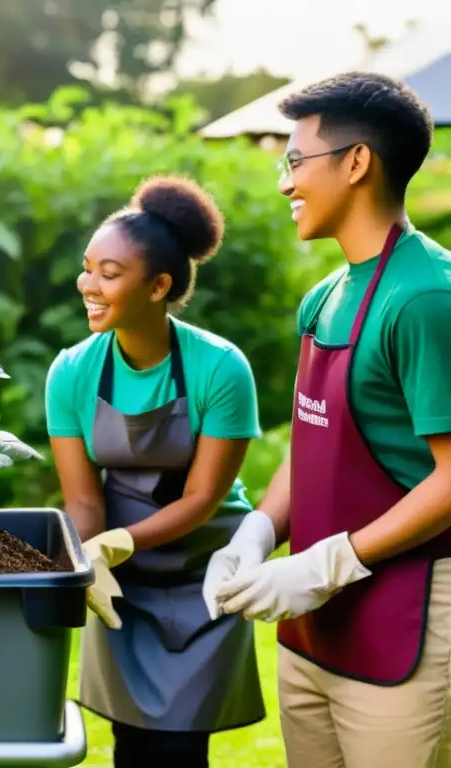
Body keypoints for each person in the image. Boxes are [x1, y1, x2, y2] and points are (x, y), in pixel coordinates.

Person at [206, 72, 451, 767]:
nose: (285, 184)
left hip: (407, 612)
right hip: (313, 620)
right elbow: (315, 448)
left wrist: (331, 562)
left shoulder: (428, 298)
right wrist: (258, 534)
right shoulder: (322, 298)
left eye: (295, 161)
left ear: (356, 162)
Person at [45, 175, 266, 767]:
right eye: (87, 267)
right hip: (122, 582)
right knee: (131, 743)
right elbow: (83, 499)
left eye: (109, 274)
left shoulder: (220, 368)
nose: (88, 285)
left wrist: (120, 541)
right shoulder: (71, 371)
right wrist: (90, 553)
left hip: (205, 574)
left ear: (159, 286)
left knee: (179, 747)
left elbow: (201, 498)